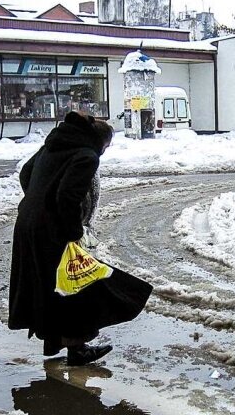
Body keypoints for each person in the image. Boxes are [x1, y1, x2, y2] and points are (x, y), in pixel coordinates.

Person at [9, 111, 153, 366]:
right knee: (73, 286)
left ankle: (55, 340)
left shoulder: (53, 145)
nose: (105, 152)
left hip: (28, 224)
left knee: (51, 286)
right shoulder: (86, 156)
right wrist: (73, 231)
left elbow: (26, 174)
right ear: (99, 141)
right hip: (52, 230)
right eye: (106, 147)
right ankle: (78, 349)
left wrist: (37, 200)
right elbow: (68, 196)